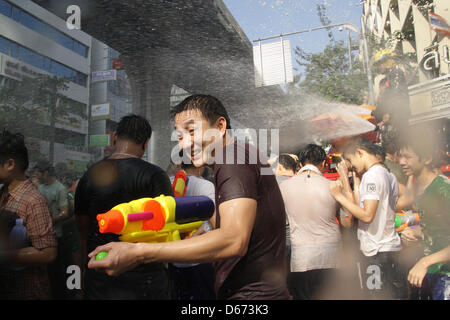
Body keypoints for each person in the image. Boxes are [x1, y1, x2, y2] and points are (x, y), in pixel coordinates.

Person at [88, 94, 290, 300]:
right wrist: (205, 236)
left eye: (192, 131)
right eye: (179, 136)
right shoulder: (239, 155)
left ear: (220, 126)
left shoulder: (232, 157)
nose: (184, 144)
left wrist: (138, 252)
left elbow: (234, 239)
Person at [75, 114, 174, 300]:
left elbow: (82, 229)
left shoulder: (89, 175)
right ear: (145, 143)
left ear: (114, 138)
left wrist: (83, 272)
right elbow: (168, 224)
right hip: (146, 277)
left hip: (100, 272)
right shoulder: (155, 175)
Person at [329, 136, 403, 299]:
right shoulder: (387, 174)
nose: (352, 167)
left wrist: (338, 196)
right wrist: (355, 182)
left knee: (376, 294)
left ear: (359, 153)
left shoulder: (372, 176)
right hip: (387, 246)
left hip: (376, 250)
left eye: (351, 161)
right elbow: (363, 206)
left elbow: (367, 215)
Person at [279, 144, 346, 300]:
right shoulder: (333, 185)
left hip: (301, 257)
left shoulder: (285, 186)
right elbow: (347, 222)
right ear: (323, 163)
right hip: (332, 256)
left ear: (300, 164)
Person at [0, 130, 57, 299]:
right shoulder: (3, 194)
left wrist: (3, 256)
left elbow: (48, 253)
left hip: (26, 291)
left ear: (10, 164)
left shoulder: (33, 201)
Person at [398, 127, 450, 300]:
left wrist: (425, 261)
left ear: (427, 158)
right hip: (435, 274)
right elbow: (436, 229)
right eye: (400, 156)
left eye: (408, 157)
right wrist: (415, 232)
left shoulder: (443, 190)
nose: (402, 162)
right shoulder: (421, 189)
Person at [168, 161, 216, 300]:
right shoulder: (205, 185)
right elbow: (214, 222)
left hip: (172, 256)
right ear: (200, 168)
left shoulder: (168, 183)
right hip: (200, 256)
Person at [33, 161, 70, 299]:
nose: (36, 176)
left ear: (46, 173)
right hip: (39, 235)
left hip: (55, 235)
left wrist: (49, 221)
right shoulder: (40, 187)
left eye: (39, 173)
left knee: (54, 271)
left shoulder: (59, 189)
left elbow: (64, 212)